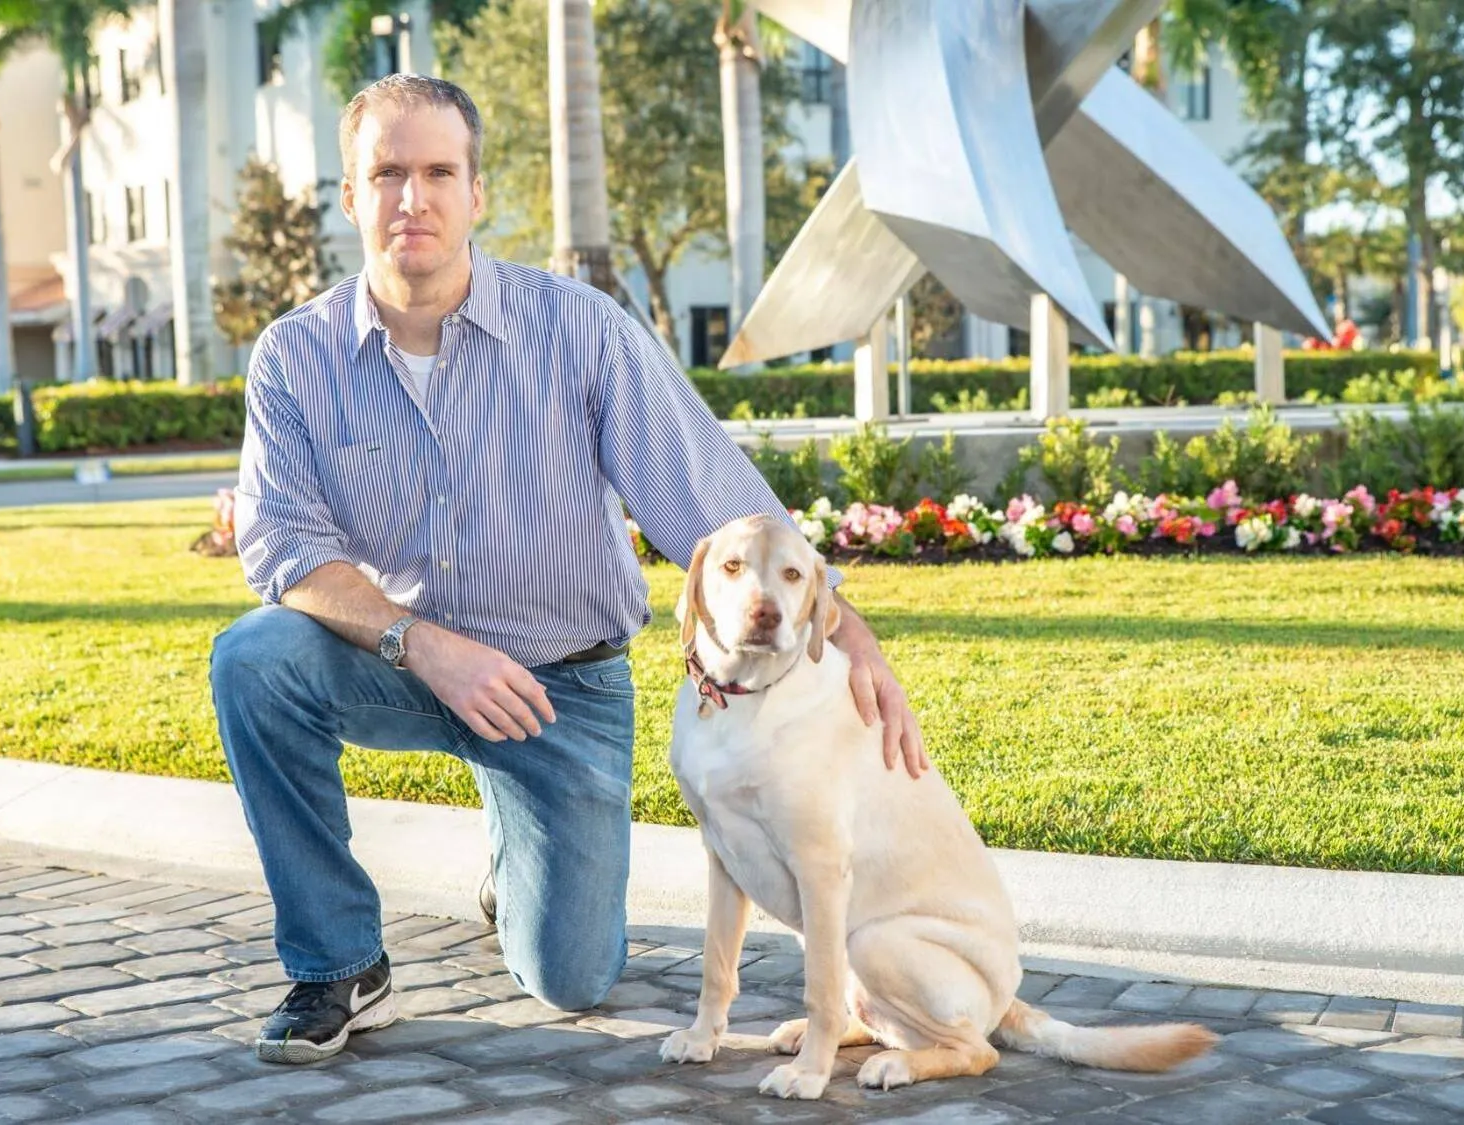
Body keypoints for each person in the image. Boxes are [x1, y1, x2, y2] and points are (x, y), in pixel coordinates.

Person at [209, 73, 930, 1066]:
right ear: (348, 195)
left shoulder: (580, 332)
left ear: (476, 193)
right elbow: (286, 549)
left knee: (575, 977)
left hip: (563, 689)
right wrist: (426, 648)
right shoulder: (296, 357)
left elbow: (715, 508)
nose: (410, 199)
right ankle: (339, 963)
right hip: (407, 663)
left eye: (436, 172)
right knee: (255, 661)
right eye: (385, 174)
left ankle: (522, 853)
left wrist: (855, 641)